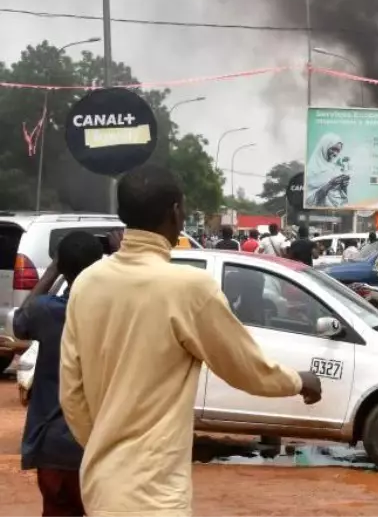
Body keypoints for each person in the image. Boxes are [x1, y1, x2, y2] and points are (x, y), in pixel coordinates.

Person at [58, 165, 322, 516]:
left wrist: (104, 449)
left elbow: (71, 392)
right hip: (155, 496)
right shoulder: (189, 289)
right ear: (176, 213)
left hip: (101, 486)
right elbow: (245, 367)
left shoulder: (88, 284)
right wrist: (299, 381)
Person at [13, 231, 104, 517]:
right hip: (100, 442)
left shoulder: (47, 312)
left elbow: (20, 322)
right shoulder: (111, 311)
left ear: (61, 267)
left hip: (52, 442)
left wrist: (54, 269)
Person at [305, 133, 350, 207]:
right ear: (325, 147)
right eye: (333, 149)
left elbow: (342, 200)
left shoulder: (336, 170)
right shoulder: (311, 170)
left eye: (338, 151)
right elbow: (308, 201)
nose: (335, 154)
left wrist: (344, 187)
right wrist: (330, 185)